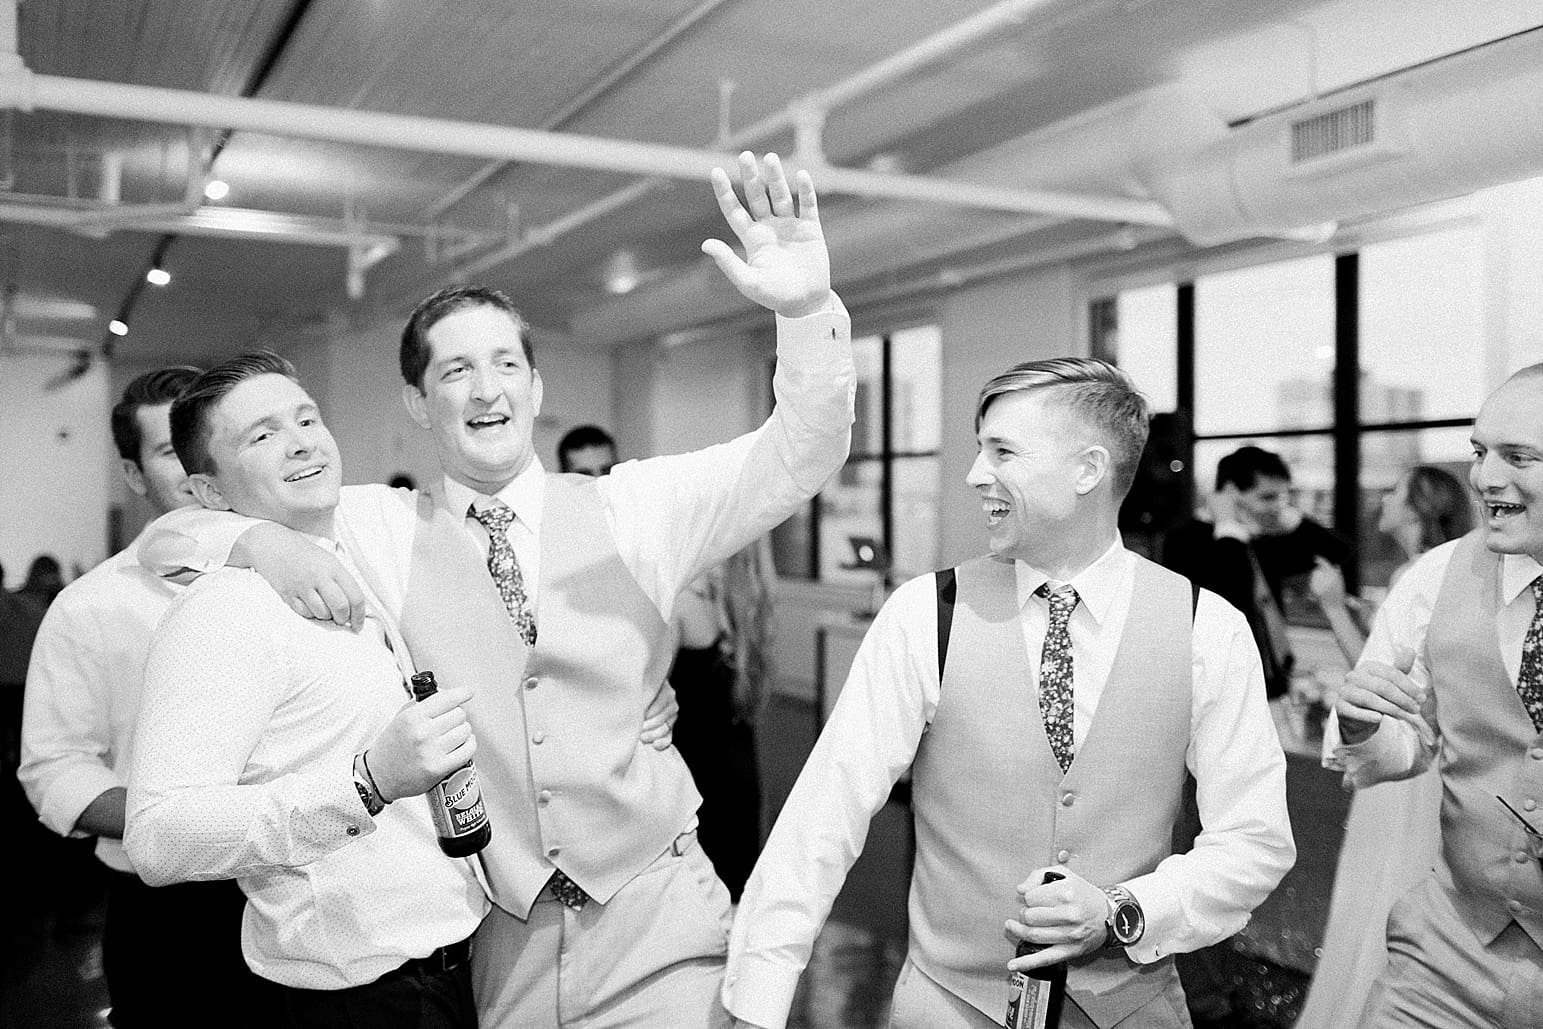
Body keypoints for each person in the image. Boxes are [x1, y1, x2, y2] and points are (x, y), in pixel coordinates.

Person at [139, 151, 853, 1029]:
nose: (486, 389)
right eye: (454, 371)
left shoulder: (638, 506)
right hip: (496, 934)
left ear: (535, 385)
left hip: (657, 911)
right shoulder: (374, 526)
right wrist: (255, 540)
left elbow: (798, 454)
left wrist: (806, 311)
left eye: (505, 364)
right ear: (415, 400)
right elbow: (171, 536)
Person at [723, 358, 1295, 1029]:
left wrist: (1126, 910)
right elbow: (823, 815)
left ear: (1087, 469)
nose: (974, 474)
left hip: (1131, 1009)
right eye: (978, 449)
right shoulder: (922, 613)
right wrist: (755, 1000)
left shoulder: (1208, 627)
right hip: (946, 1004)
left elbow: (1253, 839)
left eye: (1002, 451)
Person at [125, 352, 495, 1029]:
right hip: (357, 999)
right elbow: (156, 835)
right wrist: (366, 783)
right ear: (209, 491)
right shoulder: (225, 609)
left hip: (459, 964)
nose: (301, 440)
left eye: (306, 417)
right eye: (261, 435)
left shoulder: (360, 547)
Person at [17, 367, 265, 1028]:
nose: (196, 463)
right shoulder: (90, 606)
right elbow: (55, 768)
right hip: (169, 904)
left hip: (304, 889)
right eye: (168, 451)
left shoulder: (303, 575)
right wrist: (177, 815)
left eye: (212, 438)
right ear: (133, 474)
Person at [1330, 365, 1543, 1027]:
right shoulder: (1435, 574)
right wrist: (1360, 722)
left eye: (1517, 456)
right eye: (1479, 452)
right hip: (1442, 958)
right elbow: (1400, 751)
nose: (1484, 478)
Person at [1295, 466, 1473, 1028]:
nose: (1383, 504)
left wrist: (1328, 606)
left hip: (1403, 761)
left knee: (1385, 886)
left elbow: (1376, 682)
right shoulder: (1438, 573)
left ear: (1418, 507)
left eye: (1395, 492)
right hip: (1419, 758)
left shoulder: (1423, 571)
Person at [1163, 445, 1350, 697]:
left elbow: (1339, 552)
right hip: (1219, 689)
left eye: (1283, 497)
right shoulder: (1184, 540)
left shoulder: (1262, 538)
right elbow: (1230, 597)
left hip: (1272, 685)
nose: (1277, 507)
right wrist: (1228, 529)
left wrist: (1293, 518)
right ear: (1230, 493)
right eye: (1267, 497)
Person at [669, 536, 776, 902]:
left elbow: (643, 701)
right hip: (741, 779)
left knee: (696, 909)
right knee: (730, 903)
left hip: (697, 782)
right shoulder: (744, 608)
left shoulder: (683, 604)